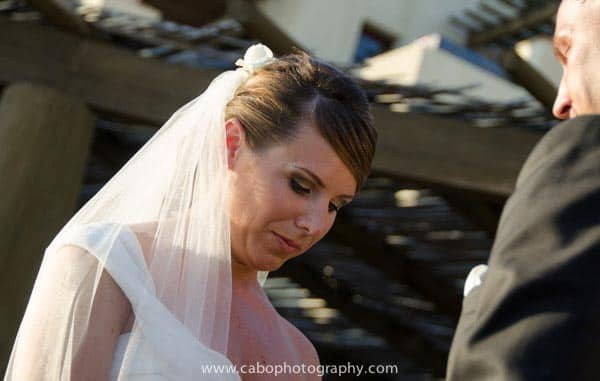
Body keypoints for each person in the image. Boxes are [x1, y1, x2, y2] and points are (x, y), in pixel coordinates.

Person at [3, 44, 377, 380]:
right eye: (301, 185)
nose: (312, 224)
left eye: (334, 205)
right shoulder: (103, 265)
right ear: (232, 145)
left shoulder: (300, 359)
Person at [446, 0, 600, 380]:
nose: (560, 101)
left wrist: (482, 299)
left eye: (568, 54)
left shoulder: (587, 158)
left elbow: (513, 367)